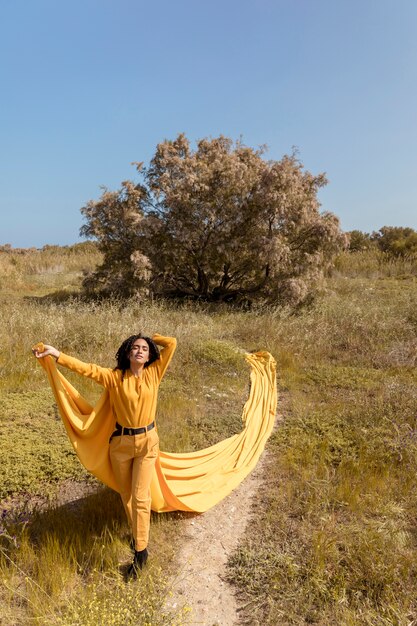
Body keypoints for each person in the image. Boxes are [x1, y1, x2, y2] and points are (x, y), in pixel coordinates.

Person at [32, 332, 177, 578]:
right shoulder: (114, 378)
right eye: (135, 347)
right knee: (127, 494)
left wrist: (151, 337)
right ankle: (137, 533)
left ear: (150, 354)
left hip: (148, 443)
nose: (140, 350)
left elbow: (172, 343)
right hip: (120, 444)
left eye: (144, 348)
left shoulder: (155, 373)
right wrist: (57, 355)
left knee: (141, 496)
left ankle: (141, 552)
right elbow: (86, 369)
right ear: (128, 353)